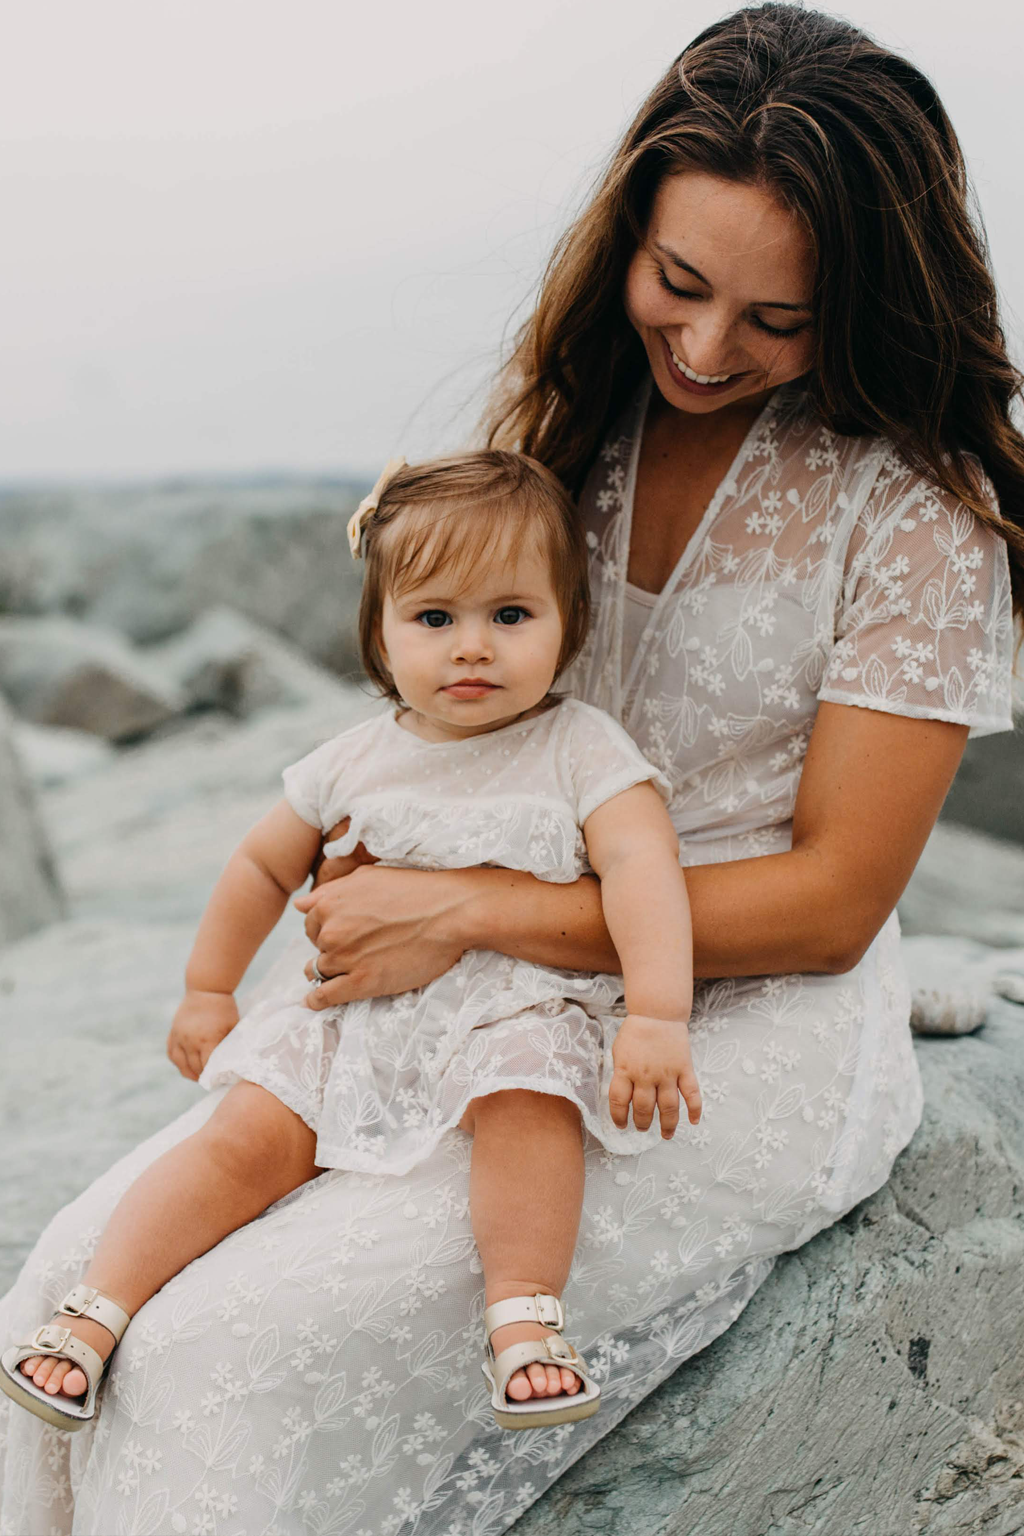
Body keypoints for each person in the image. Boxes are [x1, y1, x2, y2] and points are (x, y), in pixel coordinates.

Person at [0, 5, 1020, 1532]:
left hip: (730, 1030)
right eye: (678, 284)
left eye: (778, 320)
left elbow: (831, 901)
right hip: (453, 991)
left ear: (863, 304)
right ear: (627, 227)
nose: (705, 346)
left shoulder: (916, 515)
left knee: (232, 1352)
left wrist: (472, 908)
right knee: (78, 1279)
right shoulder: (566, 433)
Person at [2, 451, 702, 1433]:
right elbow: (258, 868)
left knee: (530, 1109)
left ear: (567, 623)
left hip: (509, 1006)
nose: (472, 648)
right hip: (350, 1009)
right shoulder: (353, 759)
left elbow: (642, 872)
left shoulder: (579, 748)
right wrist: (210, 989)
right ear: (378, 633)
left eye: (510, 615)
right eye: (433, 618)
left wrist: (657, 1014)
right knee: (243, 1140)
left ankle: (524, 1317)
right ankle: (94, 1312)